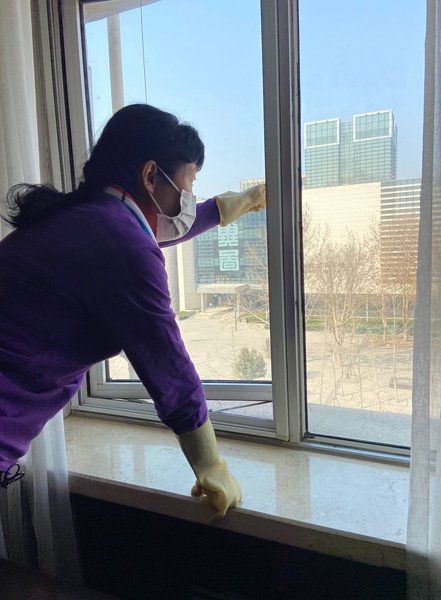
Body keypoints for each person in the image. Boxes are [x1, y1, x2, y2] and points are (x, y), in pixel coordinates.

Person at [0, 104, 265, 519]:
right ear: (150, 175)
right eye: (188, 185)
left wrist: (230, 206)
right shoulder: (119, 242)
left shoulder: (86, 215)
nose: (190, 200)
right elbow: (168, 366)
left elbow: (147, 231)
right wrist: (209, 464)